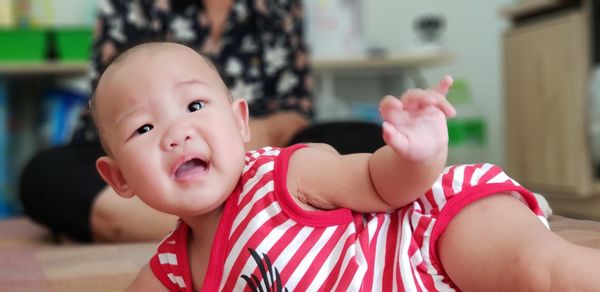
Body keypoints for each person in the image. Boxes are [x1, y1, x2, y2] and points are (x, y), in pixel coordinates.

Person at [92, 42, 600, 291]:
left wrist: (416, 155)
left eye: (195, 107)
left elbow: (383, 187)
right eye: (143, 129)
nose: (177, 133)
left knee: (539, 274)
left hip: (431, 236)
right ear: (119, 179)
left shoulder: (286, 174)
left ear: (241, 123)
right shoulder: (169, 273)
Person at [20, 0, 385, 242]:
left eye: (194, 104)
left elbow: (293, 113)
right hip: (151, 159)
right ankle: (259, 216)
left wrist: (226, 139)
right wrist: (167, 136)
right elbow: (115, 104)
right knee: (44, 177)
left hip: (263, 155)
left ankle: (208, 213)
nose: (182, 128)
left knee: (375, 141)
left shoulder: (278, 5)